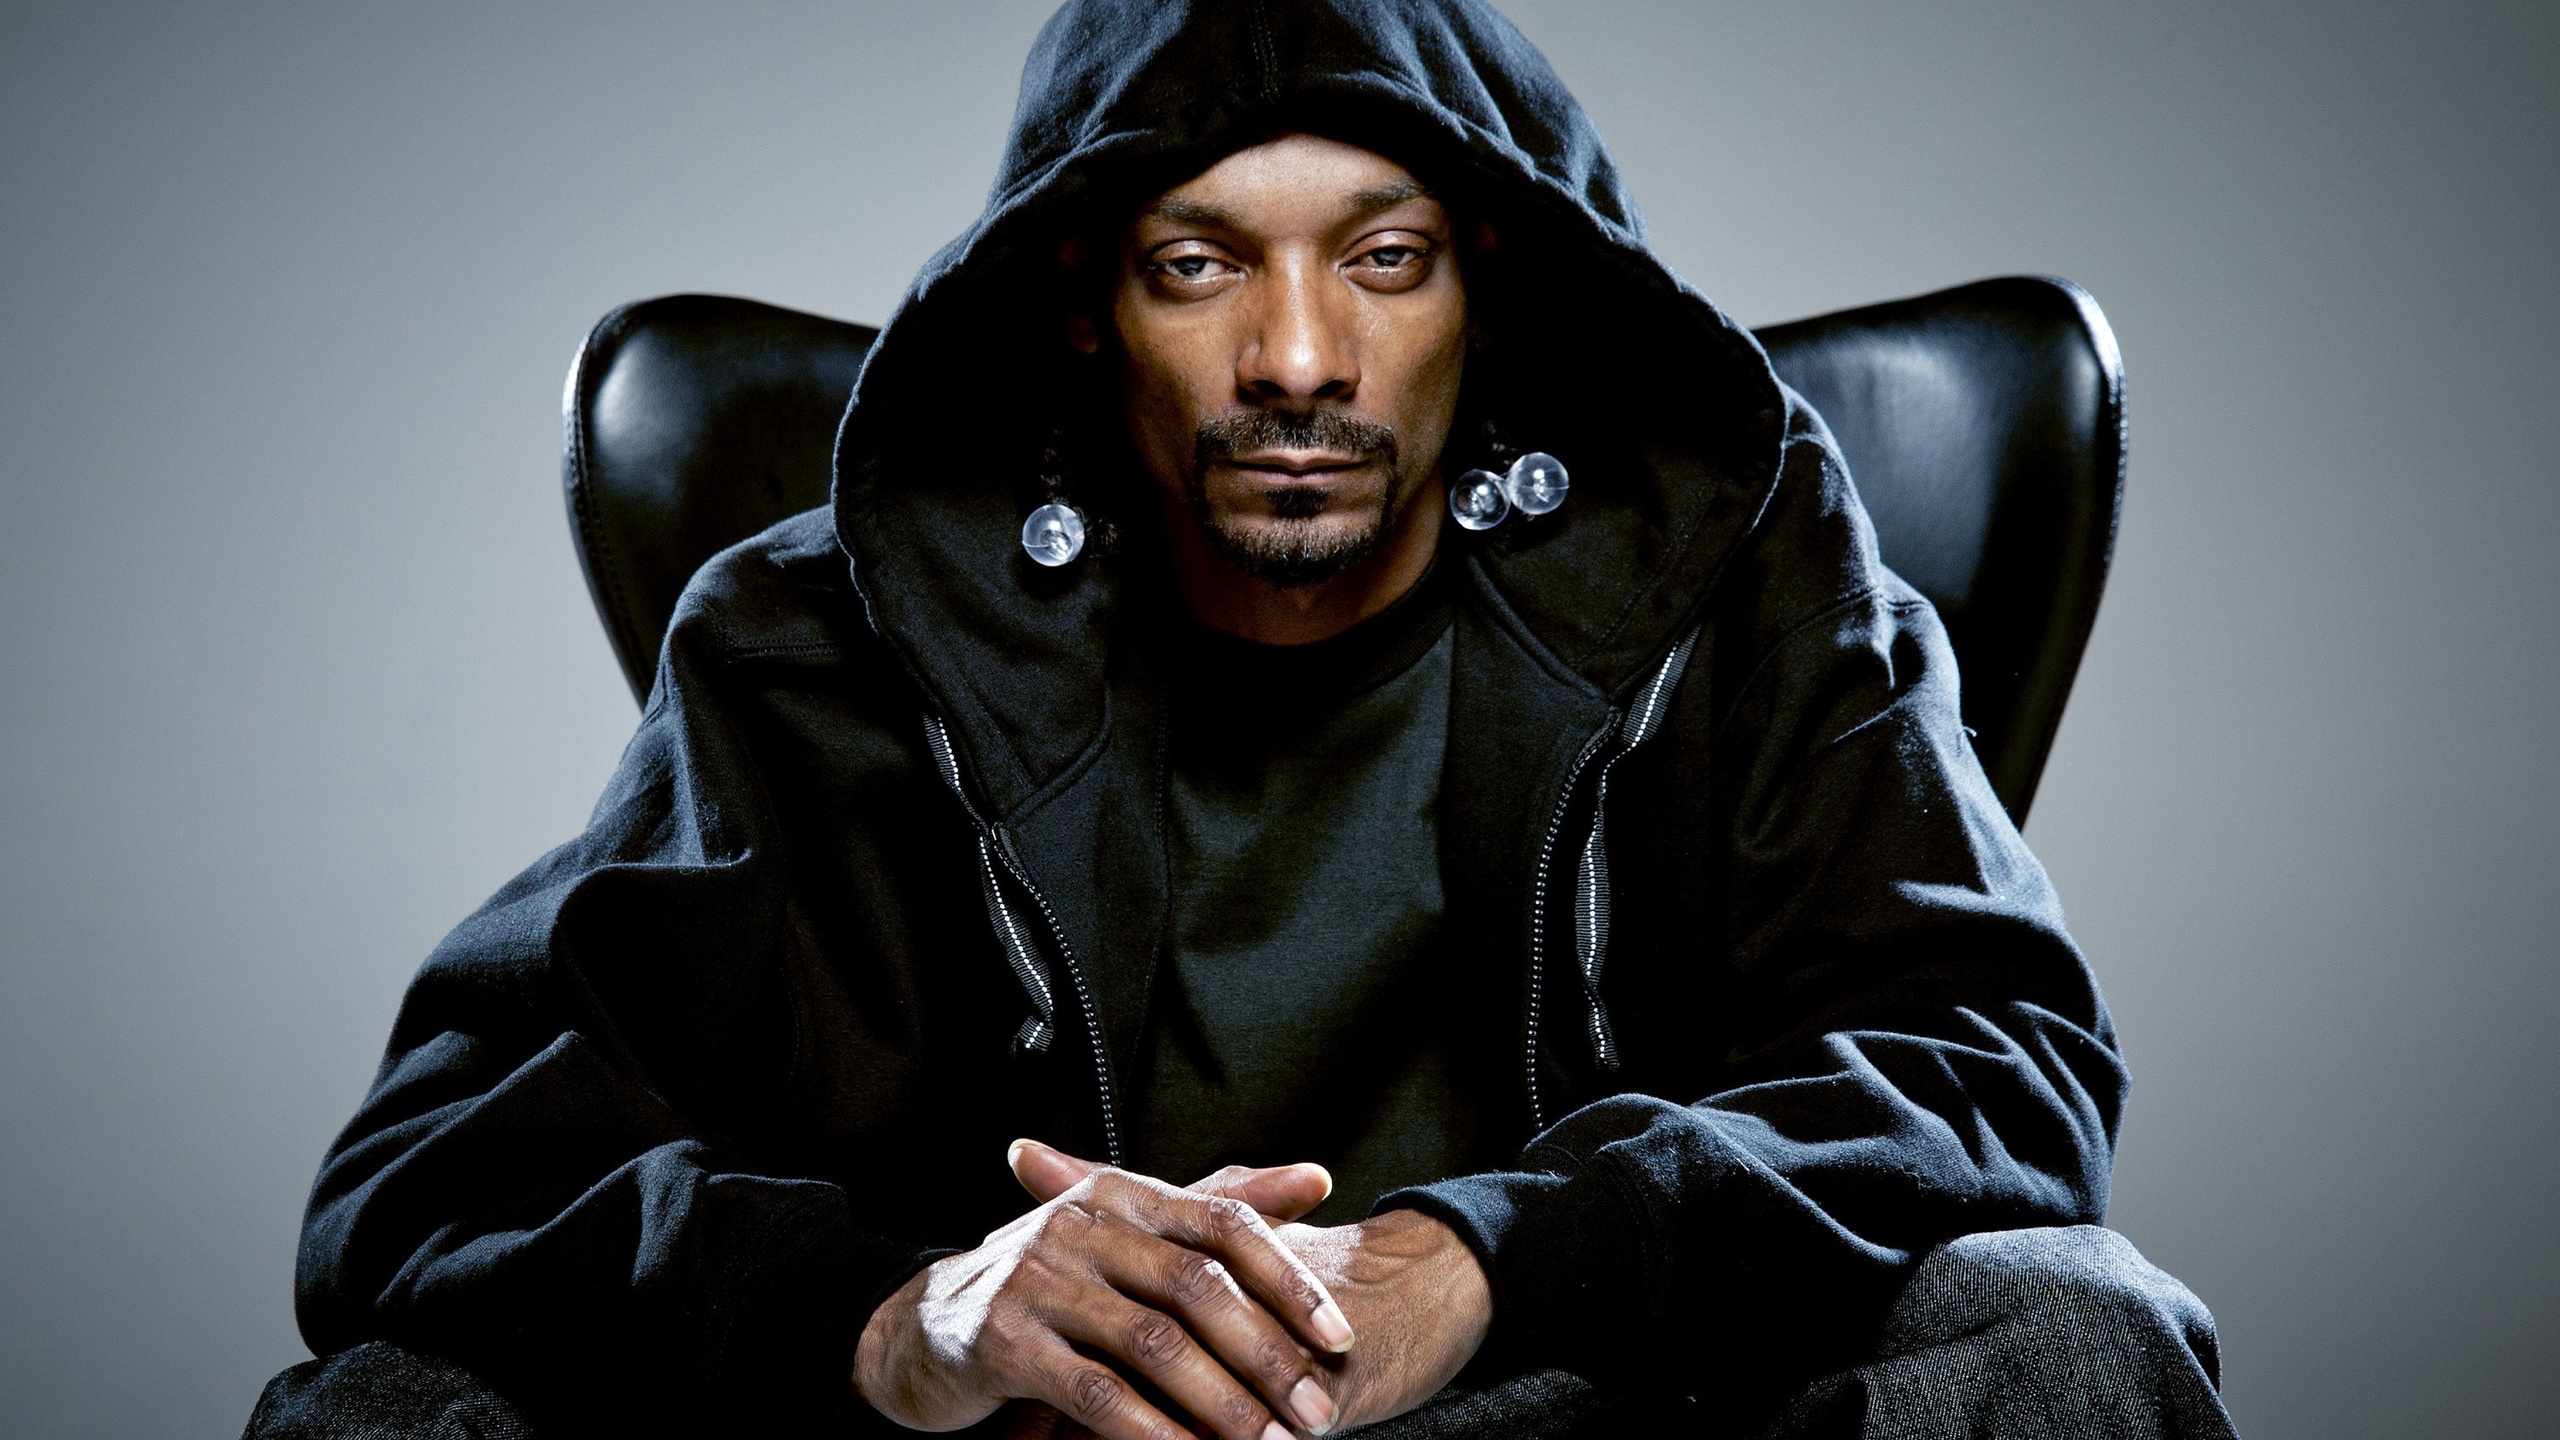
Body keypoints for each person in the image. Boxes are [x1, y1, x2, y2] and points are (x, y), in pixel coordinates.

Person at [247, 2, 2239, 1437]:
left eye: (1384, 259)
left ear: (1486, 289)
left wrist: (1483, 1259)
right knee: (389, 1406)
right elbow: (424, 1184)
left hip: (1585, 1405)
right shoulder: (808, 635)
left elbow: (1999, 1062)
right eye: (1198, 265)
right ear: (1081, 302)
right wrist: (905, 1319)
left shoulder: (1738, 569)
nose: (1297, 357)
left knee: (2065, 1325)